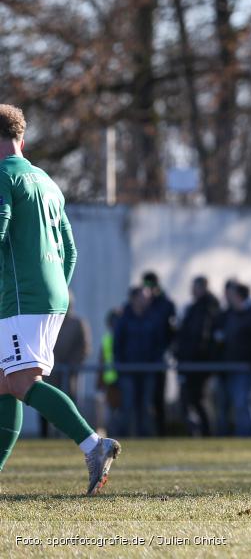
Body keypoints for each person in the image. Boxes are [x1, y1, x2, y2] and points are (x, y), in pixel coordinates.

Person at [0, 104, 119, 495]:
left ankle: (93, 444)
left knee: (20, 381)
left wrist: (31, 289)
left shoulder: (2, 176)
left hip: (22, 297)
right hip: (46, 294)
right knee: (5, 381)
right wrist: (56, 291)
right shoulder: (47, 181)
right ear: (23, 138)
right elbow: (70, 251)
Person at [214, 282, 251, 436]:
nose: (227, 297)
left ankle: (248, 438)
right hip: (227, 369)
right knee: (224, 405)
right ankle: (225, 437)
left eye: (231, 294)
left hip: (245, 369)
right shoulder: (227, 315)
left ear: (239, 296)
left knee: (242, 404)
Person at [41, 291, 91, 437]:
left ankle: (70, 434)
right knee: (46, 403)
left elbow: (84, 347)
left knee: (69, 402)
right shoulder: (49, 322)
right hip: (50, 372)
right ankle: (45, 434)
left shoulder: (78, 323)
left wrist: (72, 364)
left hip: (69, 374)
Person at [175, 276, 220, 437]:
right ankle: (198, 433)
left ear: (202, 288)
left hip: (197, 365)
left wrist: (189, 356)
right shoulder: (194, 308)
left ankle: (206, 434)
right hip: (189, 363)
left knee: (197, 400)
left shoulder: (207, 308)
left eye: (194, 287)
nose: (191, 290)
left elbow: (200, 337)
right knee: (189, 402)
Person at [114, 286, 156, 436]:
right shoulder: (124, 318)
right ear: (134, 298)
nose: (147, 299)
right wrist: (120, 367)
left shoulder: (152, 317)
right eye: (143, 296)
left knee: (145, 406)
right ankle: (122, 437)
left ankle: (144, 437)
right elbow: (117, 344)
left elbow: (157, 343)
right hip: (127, 370)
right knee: (127, 405)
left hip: (147, 370)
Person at [142, 271, 176, 436]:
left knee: (158, 398)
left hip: (159, 358)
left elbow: (170, 332)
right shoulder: (146, 304)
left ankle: (161, 432)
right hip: (145, 358)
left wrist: (164, 350)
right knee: (145, 399)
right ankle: (148, 432)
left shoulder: (165, 305)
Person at [94, 309, 121, 438]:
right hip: (111, 381)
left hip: (120, 379)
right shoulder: (107, 338)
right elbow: (102, 360)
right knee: (111, 413)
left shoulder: (118, 337)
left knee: (118, 412)